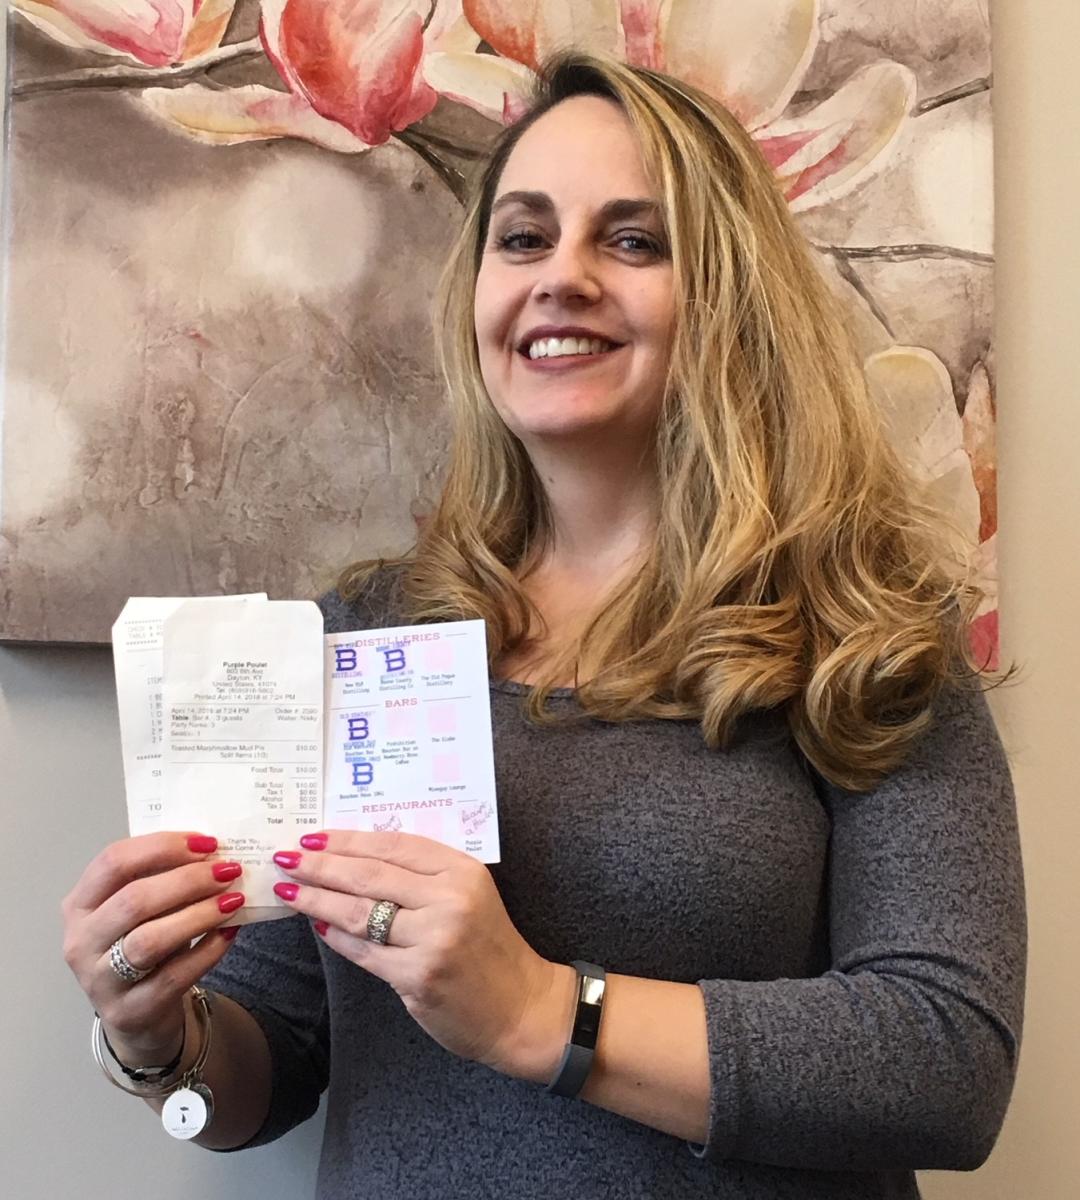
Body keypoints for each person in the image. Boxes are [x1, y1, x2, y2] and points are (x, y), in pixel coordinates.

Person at [62, 51, 1026, 1199]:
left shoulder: (866, 631)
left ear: (726, 296)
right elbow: (275, 1056)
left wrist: (538, 1012)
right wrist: (157, 1035)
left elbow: (947, 1063)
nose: (559, 276)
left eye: (631, 240)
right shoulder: (357, 638)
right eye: (522, 238)